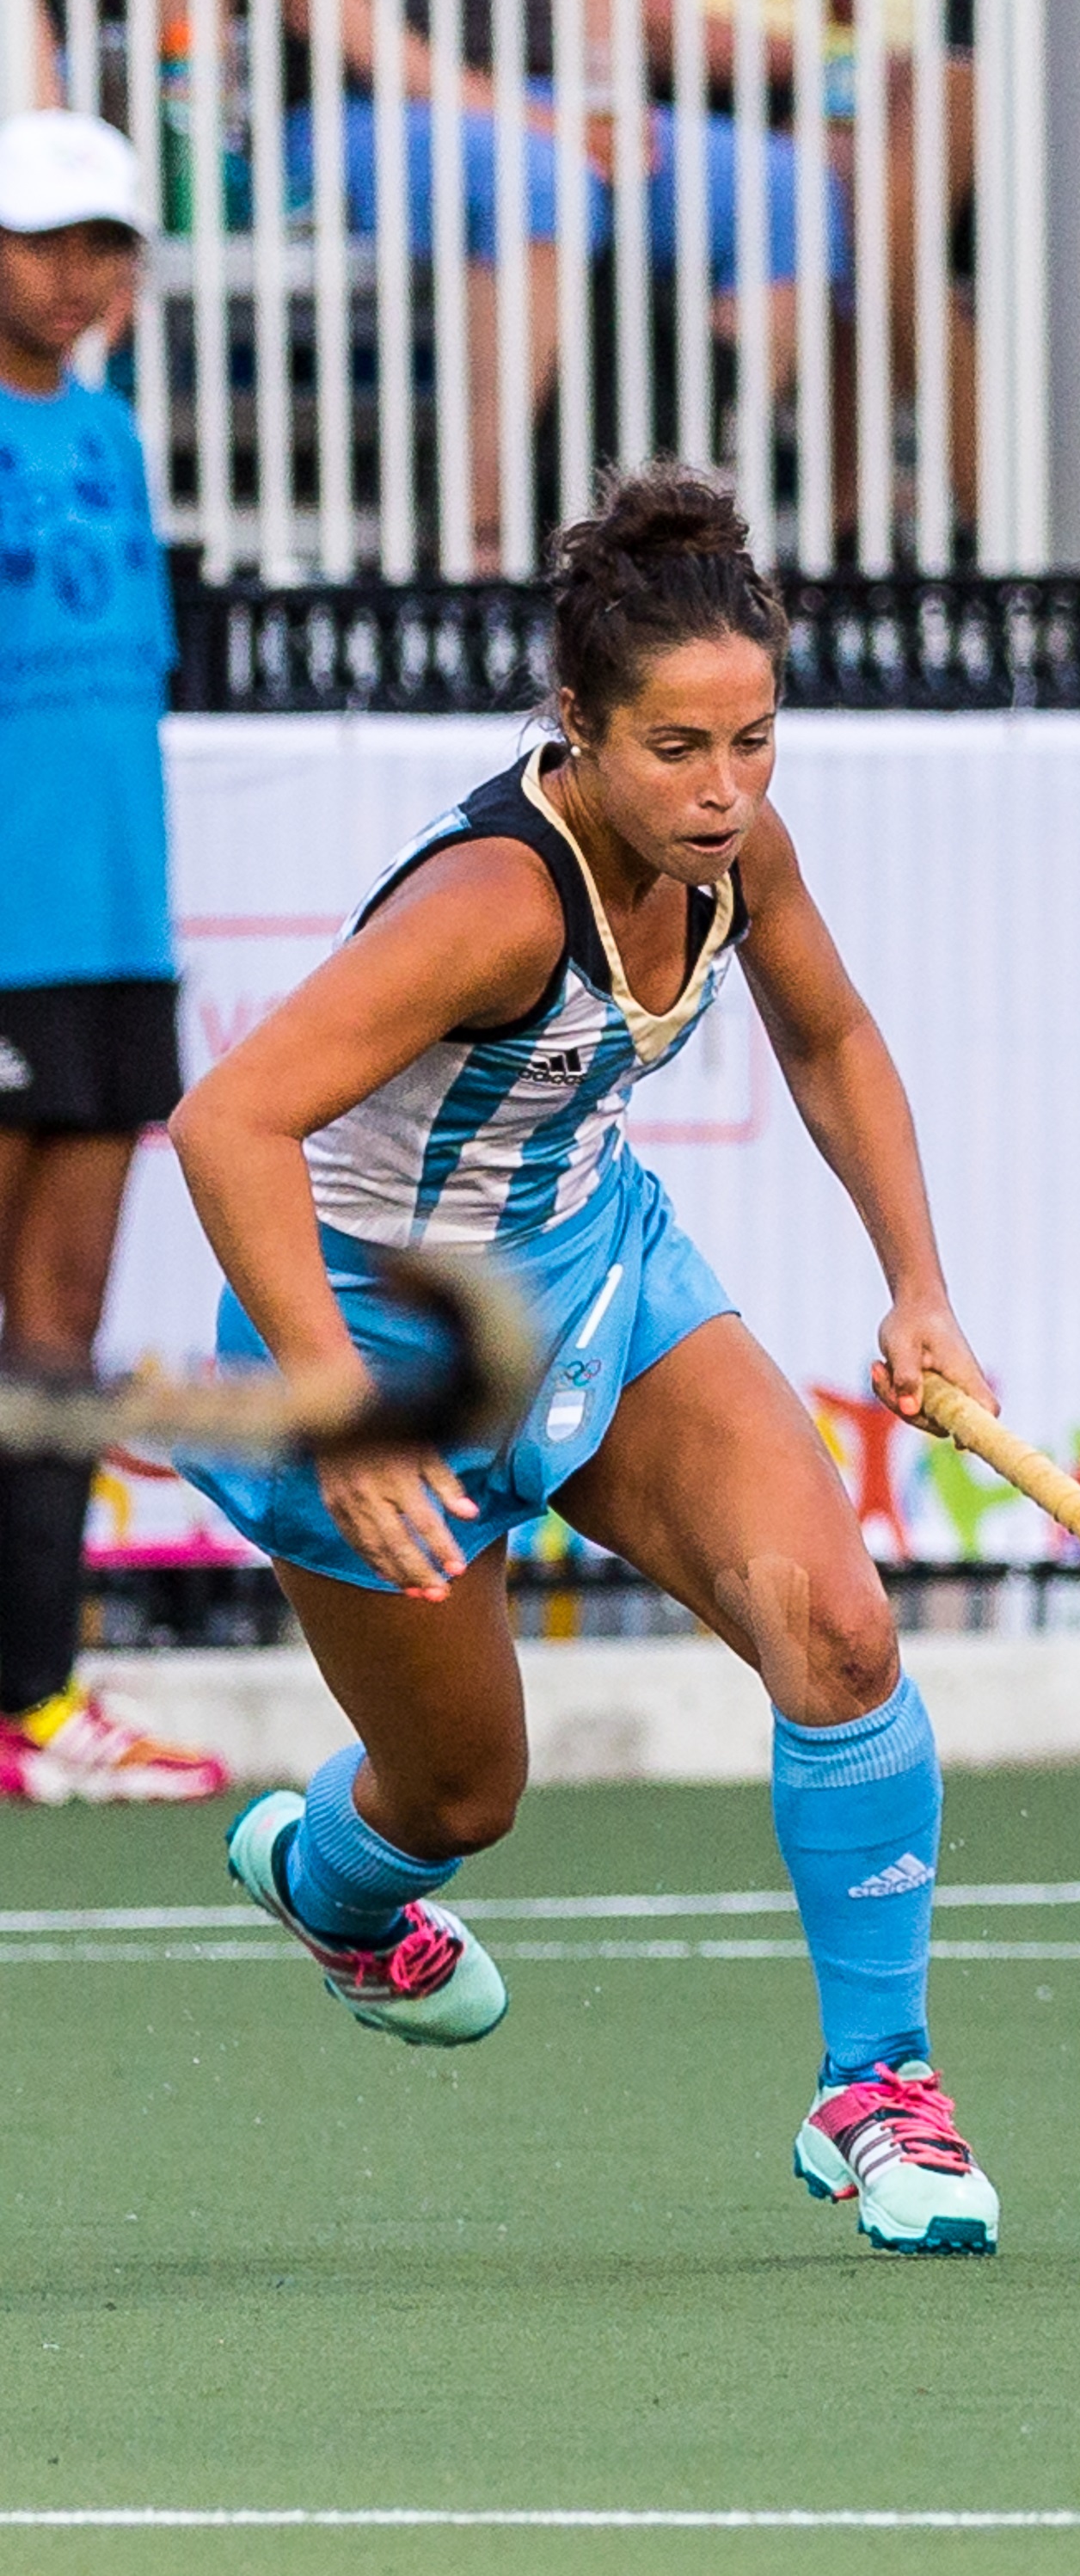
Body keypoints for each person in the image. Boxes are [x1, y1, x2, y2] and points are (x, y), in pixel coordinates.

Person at [169, 460, 1003, 2256]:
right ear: (576, 727)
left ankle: (881, 2091)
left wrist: (918, 1286)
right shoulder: (492, 905)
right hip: (376, 1344)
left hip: (604, 1282)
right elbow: (227, 1121)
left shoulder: (738, 851)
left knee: (840, 1631)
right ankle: (327, 1880)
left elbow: (835, 1038)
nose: (722, 794)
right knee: (464, 1795)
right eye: (677, 751)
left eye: (755, 742)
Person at [0, 108, 229, 1809]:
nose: (76, 278)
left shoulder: (117, 434)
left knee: (57, 1337)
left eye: (103, 247)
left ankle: (38, 1702)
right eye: (44, 242)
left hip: (111, 939)